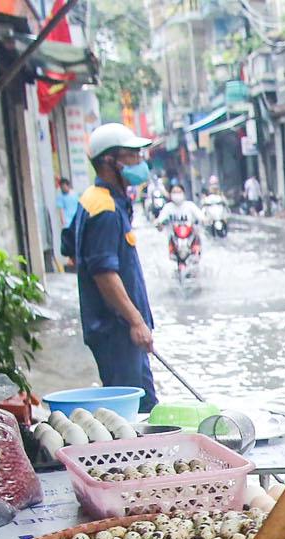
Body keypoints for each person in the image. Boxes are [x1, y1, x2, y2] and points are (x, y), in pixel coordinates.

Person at [71, 123, 158, 412]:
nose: (139, 161)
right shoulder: (104, 210)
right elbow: (105, 275)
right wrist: (135, 321)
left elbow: (67, 247)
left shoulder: (97, 200)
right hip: (117, 332)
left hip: (119, 331)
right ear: (110, 162)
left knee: (143, 406)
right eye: (132, 155)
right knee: (134, 413)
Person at [157, 183, 205, 263]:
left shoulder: (190, 206)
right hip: (175, 239)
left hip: (190, 237)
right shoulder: (168, 207)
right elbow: (160, 221)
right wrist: (159, 225)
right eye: (174, 192)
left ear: (183, 193)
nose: (177, 194)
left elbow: (201, 217)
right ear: (170, 194)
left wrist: (205, 220)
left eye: (179, 192)